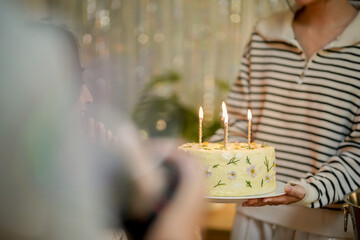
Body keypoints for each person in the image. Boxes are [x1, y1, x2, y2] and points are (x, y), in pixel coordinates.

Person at [211, 0, 360, 239]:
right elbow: (237, 125)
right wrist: (198, 161)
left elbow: (358, 149)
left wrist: (311, 190)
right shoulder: (265, 32)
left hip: (326, 228)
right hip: (253, 221)